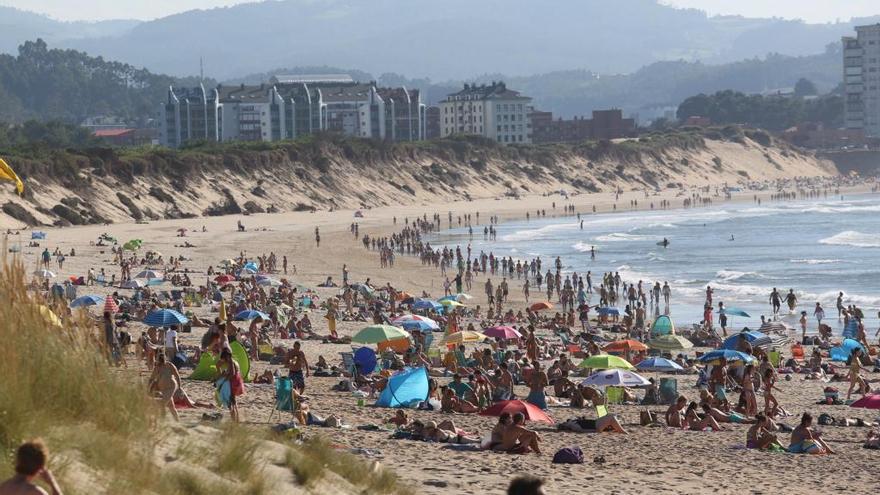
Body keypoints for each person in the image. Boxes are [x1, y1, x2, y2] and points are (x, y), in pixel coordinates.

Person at [149, 352, 181, 421]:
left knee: (162, 403)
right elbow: (151, 379)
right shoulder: (157, 368)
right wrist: (149, 387)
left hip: (171, 387)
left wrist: (179, 387)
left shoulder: (169, 365)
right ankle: (178, 421)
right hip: (163, 389)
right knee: (171, 406)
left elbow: (177, 375)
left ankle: (161, 421)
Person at [216, 348, 242, 422]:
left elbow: (232, 373)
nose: (224, 361)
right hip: (236, 381)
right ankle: (237, 419)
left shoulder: (230, 361)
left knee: (230, 403)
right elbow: (232, 372)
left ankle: (234, 419)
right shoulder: (233, 360)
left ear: (226, 357)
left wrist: (223, 381)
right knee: (233, 401)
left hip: (233, 382)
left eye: (224, 358)